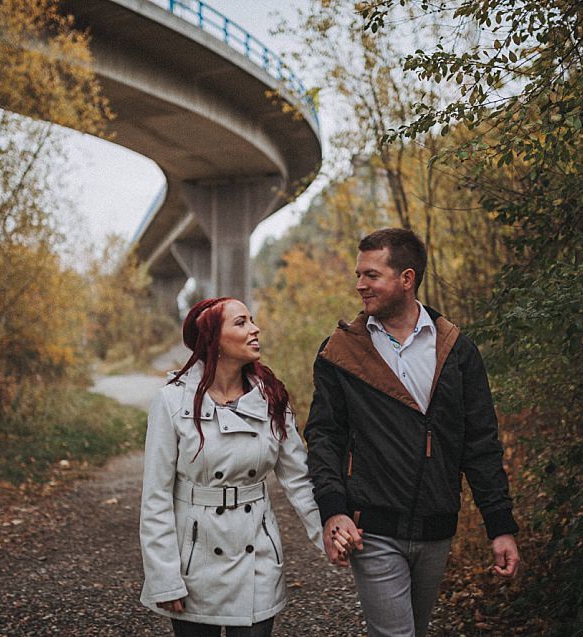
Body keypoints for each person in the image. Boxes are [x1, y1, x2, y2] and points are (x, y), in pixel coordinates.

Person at [303, 228, 521, 637]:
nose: (359, 285)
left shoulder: (456, 349)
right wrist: (334, 511)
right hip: (373, 527)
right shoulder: (340, 352)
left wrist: (500, 526)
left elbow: (480, 444)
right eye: (358, 274)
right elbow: (324, 437)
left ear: (406, 278)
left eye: (371, 275)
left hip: (438, 527)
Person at [139, 297, 323, 637]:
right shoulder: (172, 401)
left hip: (259, 555)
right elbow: (156, 498)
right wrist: (164, 577)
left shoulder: (272, 398)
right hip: (195, 561)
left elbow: (298, 479)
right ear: (213, 339)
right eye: (241, 323)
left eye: (252, 320)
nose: (255, 329)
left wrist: (329, 533)